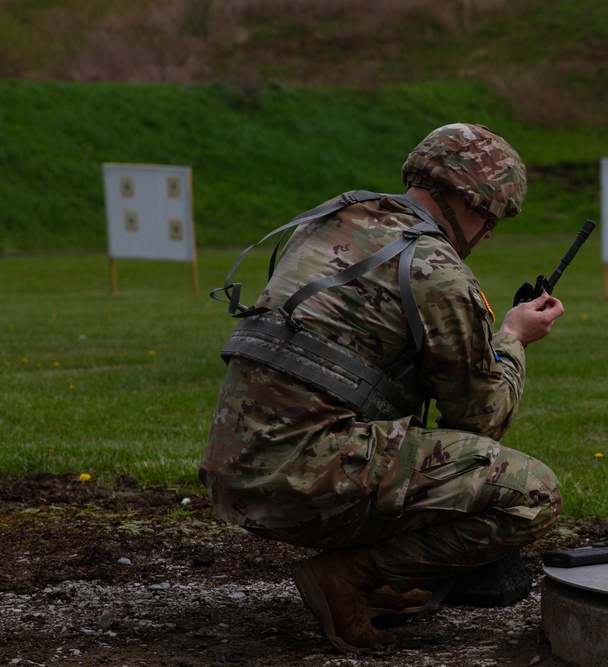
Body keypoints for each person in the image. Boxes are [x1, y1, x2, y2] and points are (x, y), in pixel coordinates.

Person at [199, 123, 564, 653]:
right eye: (493, 216)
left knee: (412, 446)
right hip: (299, 480)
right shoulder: (439, 271)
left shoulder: (332, 219)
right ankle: (348, 577)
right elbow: (481, 419)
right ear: (469, 200)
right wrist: (511, 338)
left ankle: (380, 577)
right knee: (531, 495)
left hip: (233, 470)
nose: (489, 232)